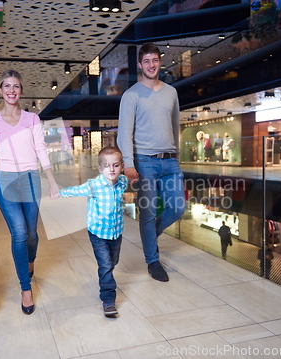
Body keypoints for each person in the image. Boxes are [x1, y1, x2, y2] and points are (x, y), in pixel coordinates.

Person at [0, 70, 59, 315]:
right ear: (0, 90)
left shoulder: (32, 119)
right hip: (6, 181)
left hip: (31, 180)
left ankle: (29, 261)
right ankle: (25, 287)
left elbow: (41, 149)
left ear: (21, 90)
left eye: (16, 86)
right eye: (7, 86)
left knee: (31, 233)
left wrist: (51, 180)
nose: (11, 90)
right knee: (18, 232)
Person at [117, 42, 185, 282]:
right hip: (144, 161)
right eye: (146, 61)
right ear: (140, 65)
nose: (151, 65)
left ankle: (151, 234)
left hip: (170, 161)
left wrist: (177, 155)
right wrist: (128, 163)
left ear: (160, 61)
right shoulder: (131, 95)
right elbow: (124, 133)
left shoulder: (171, 92)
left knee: (178, 208)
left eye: (154, 60)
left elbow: (175, 125)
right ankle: (152, 261)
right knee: (146, 213)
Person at [56, 146, 128, 317]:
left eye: (116, 165)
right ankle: (108, 300)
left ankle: (108, 273)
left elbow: (128, 180)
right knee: (105, 265)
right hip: (98, 233)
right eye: (107, 166)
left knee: (113, 261)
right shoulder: (94, 185)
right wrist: (58, 193)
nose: (111, 169)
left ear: (122, 167)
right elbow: (76, 190)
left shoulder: (123, 181)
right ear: (99, 168)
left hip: (116, 231)